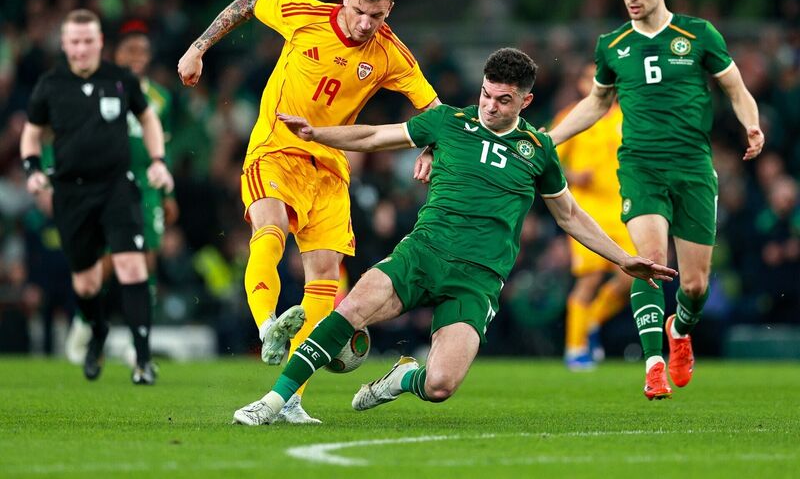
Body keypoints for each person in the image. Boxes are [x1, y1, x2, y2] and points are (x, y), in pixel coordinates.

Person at [230, 47, 677, 425]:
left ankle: (400, 378)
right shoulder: (447, 122)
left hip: (477, 280)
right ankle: (273, 402)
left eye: (503, 100)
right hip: (423, 253)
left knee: (440, 385)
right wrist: (317, 134)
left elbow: (571, 216)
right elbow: (375, 135)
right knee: (351, 306)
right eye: (486, 94)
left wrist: (623, 258)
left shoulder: (538, 151)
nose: (490, 106)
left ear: (525, 101)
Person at [177, 0, 440, 423]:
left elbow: (433, 108)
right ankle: (268, 327)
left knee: (325, 278)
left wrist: (432, 147)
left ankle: (292, 398)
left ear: (389, 10)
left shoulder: (390, 53)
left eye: (377, 16)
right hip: (275, 150)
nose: (365, 24)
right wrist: (198, 48)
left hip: (330, 167)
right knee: (271, 227)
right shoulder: (305, 14)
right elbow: (248, 1)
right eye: (360, 11)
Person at [547, 0, 764, 399]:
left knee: (696, 285)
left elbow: (735, 87)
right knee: (646, 263)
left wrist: (752, 125)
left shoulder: (697, 34)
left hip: (693, 169)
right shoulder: (612, 45)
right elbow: (596, 103)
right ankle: (653, 365)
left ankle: (679, 330)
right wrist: (551, 138)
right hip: (641, 168)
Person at [20, 9, 174, 384]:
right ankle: (98, 330)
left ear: (100, 42)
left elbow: (149, 118)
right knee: (86, 284)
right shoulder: (50, 84)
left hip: (117, 186)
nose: (82, 49)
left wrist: (158, 160)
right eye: (75, 41)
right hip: (71, 193)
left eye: (88, 41)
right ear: (64, 44)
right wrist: (32, 168)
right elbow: (32, 132)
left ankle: (142, 360)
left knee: (133, 266)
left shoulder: (120, 79)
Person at [64, 19, 179, 368]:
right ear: (115, 53)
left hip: (146, 184)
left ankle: (137, 341)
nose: (137, 56)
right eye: (130, 50)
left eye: (143, 51)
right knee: (108, 261)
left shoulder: (160, 98)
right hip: (108, 182)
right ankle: (84, 325)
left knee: (148, 259)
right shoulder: (98, 88)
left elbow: (163, 146)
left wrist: (167, 192)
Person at [552, 62, 635, 371]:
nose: (596, 83)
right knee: (589, 280)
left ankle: (590, 321)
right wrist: (572, 175)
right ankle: (575, 349)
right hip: (586, 212)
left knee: (633, 278)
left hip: (624, 211)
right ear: (580, 84)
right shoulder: (570, 117)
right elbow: (546, 159)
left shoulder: (628, 118)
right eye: (589, 78)